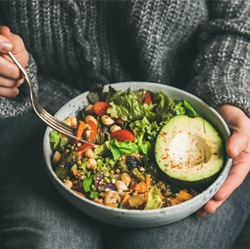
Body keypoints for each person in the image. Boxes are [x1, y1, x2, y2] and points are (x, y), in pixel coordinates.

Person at [0, 1, 250, 248]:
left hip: (198, 98)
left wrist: (228, 92)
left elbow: (242, 16)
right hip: (37, 103)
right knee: (45, 243)